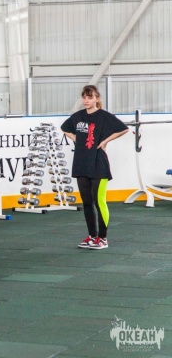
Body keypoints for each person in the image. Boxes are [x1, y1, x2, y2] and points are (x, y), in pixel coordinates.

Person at [61, 85, 128, 250]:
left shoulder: (104, 116)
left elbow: (123, 129)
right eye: (84, 97)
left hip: (99, 164)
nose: (86, 100)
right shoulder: (78, 116)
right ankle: (92, 237)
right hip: (81, 163)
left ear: (97, 99)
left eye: (90, 97)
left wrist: (104, 142)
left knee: (99, 202)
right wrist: (76, 138)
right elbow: (64, 128)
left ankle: (103, 238)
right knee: (87, 203)